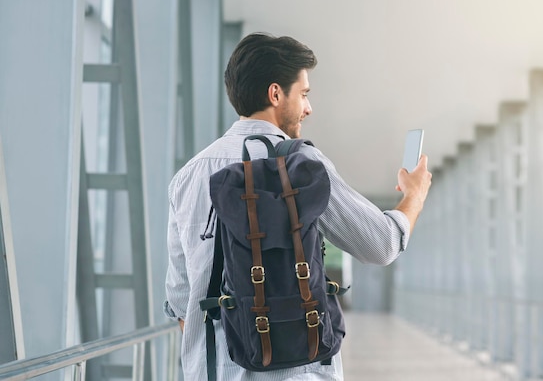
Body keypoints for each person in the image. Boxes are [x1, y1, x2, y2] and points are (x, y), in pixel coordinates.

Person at [164, 32, 432, 380]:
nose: (308, 107)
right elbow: (380, 244)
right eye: (303, 94)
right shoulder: (301, 166)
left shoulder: (188, 176)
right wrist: (414, 196)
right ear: (276, 94)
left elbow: (181, 301)